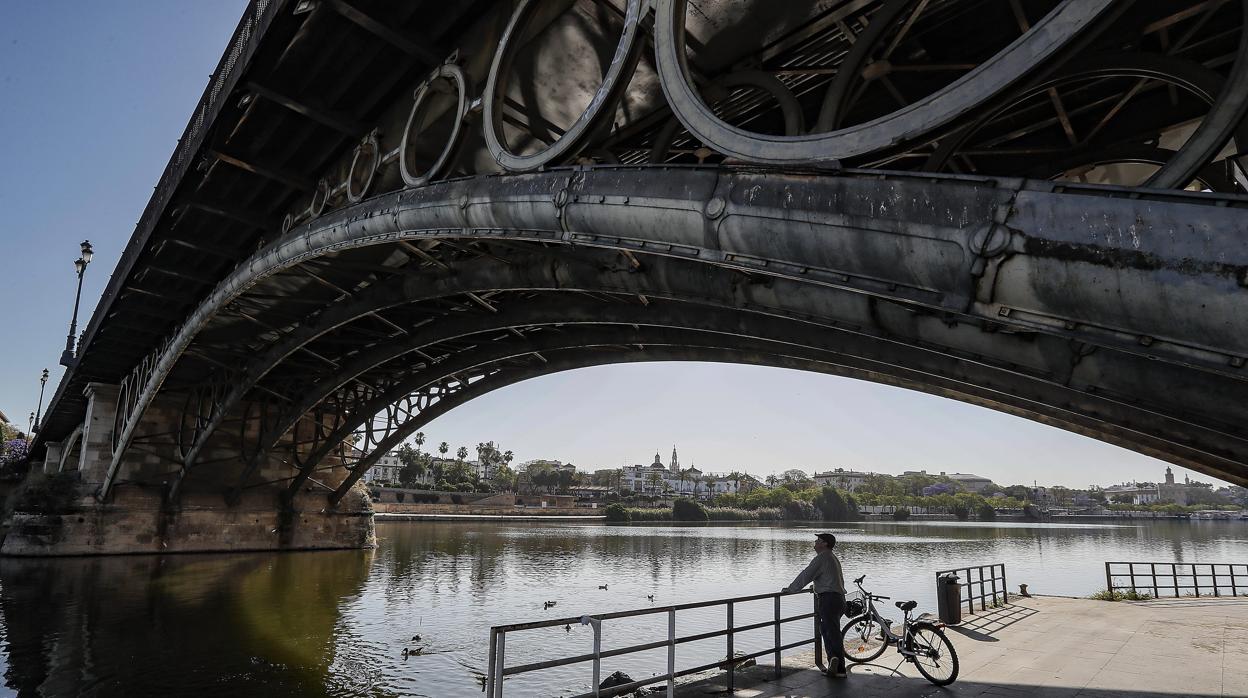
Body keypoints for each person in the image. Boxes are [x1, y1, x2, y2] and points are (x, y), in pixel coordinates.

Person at [782, 532, 847, 678]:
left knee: (831, 632)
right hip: (838, 598)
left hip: (829, 599)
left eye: (819, 540)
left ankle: (839, 668)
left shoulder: (822, 558)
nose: (815, 542)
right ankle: (834, 663)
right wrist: (816, 587)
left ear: (825, 544)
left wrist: (792, 588)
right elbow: (829, 577)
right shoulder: (832, 558)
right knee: (828, 630)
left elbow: (807, 574)